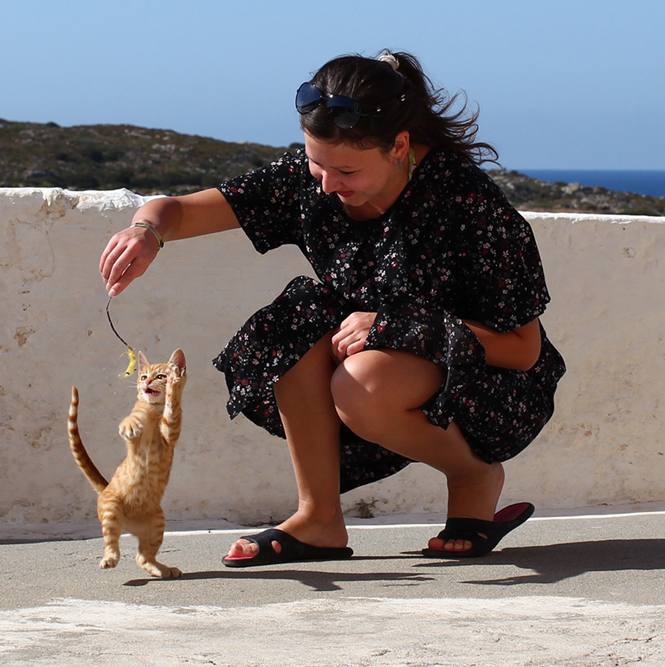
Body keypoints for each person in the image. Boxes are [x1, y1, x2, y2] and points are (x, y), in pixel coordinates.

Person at [99, 50, 565, 566]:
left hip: (490, 386)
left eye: (345, 169)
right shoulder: (308, 178)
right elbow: (182, 211)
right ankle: (318, 520)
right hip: (372, 358)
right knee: (296, 323)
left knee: (360, 381)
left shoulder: (466, 203)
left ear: (399, 147)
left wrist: (402, 328)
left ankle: (473, 474)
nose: (325, 184)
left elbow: (523, 351)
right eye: (316, 162)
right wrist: (147, 232)